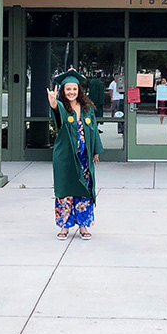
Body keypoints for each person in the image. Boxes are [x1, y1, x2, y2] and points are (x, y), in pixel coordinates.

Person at [47, 69, 104, 240]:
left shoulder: (87, 109)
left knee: (84, 189)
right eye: (68, 89)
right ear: (63, 91)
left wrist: (95, 151)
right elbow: (59, 118)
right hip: (65, 157)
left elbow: (94, 131)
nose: (71, 92)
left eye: (74, 89)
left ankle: (84, 226)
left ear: (79, 90)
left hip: (84, 157)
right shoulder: (62, 107)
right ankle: (64, 227)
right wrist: (53, 104)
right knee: (65, 189)